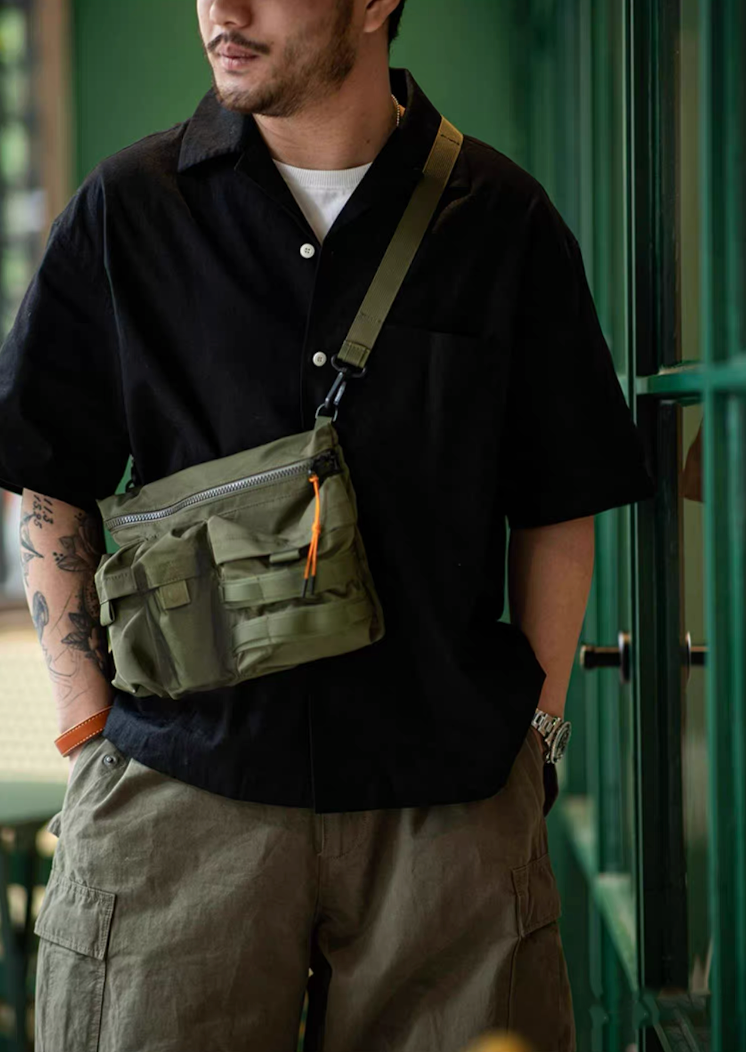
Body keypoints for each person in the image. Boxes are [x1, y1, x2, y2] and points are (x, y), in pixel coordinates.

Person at [0, 1, 656, 1050]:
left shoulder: (501, 217)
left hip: (442, 811)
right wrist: (87, 732)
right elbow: (43, 477)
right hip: (181, 792)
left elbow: (553, 503)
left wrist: (532, 740)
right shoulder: (129, 205)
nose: (223, 7)